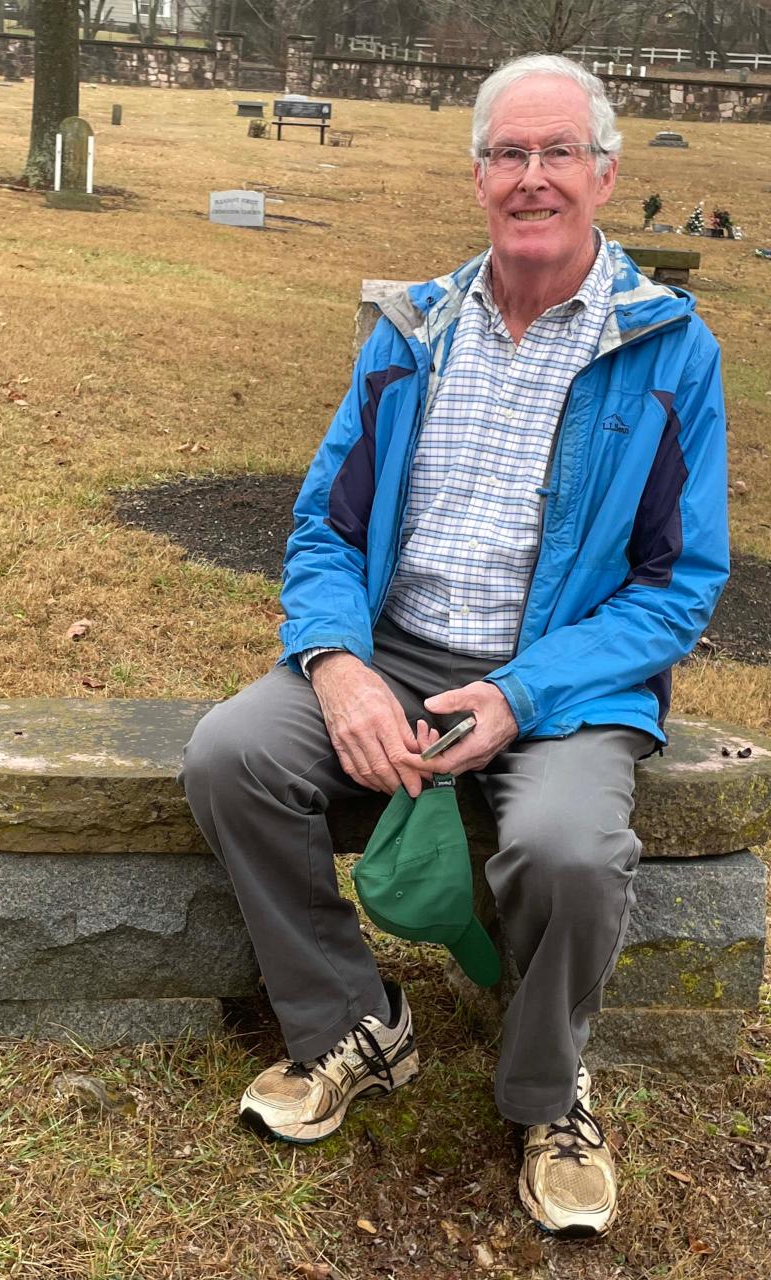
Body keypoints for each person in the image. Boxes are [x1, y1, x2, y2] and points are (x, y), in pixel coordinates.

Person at [183, 53, 728, 1239]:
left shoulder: (670, 349)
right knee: (231, 753)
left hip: (566, 674)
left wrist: (524, 692)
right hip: (395, 645)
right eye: (508, 155)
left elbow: (679, 583)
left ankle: (547, 1092)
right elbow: (325, 528)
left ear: (605, 172)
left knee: (566, 847)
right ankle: (351, 1025)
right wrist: (337, 663)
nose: (533, 178)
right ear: (477, 173)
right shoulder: (411, 327)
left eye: (558, 153)